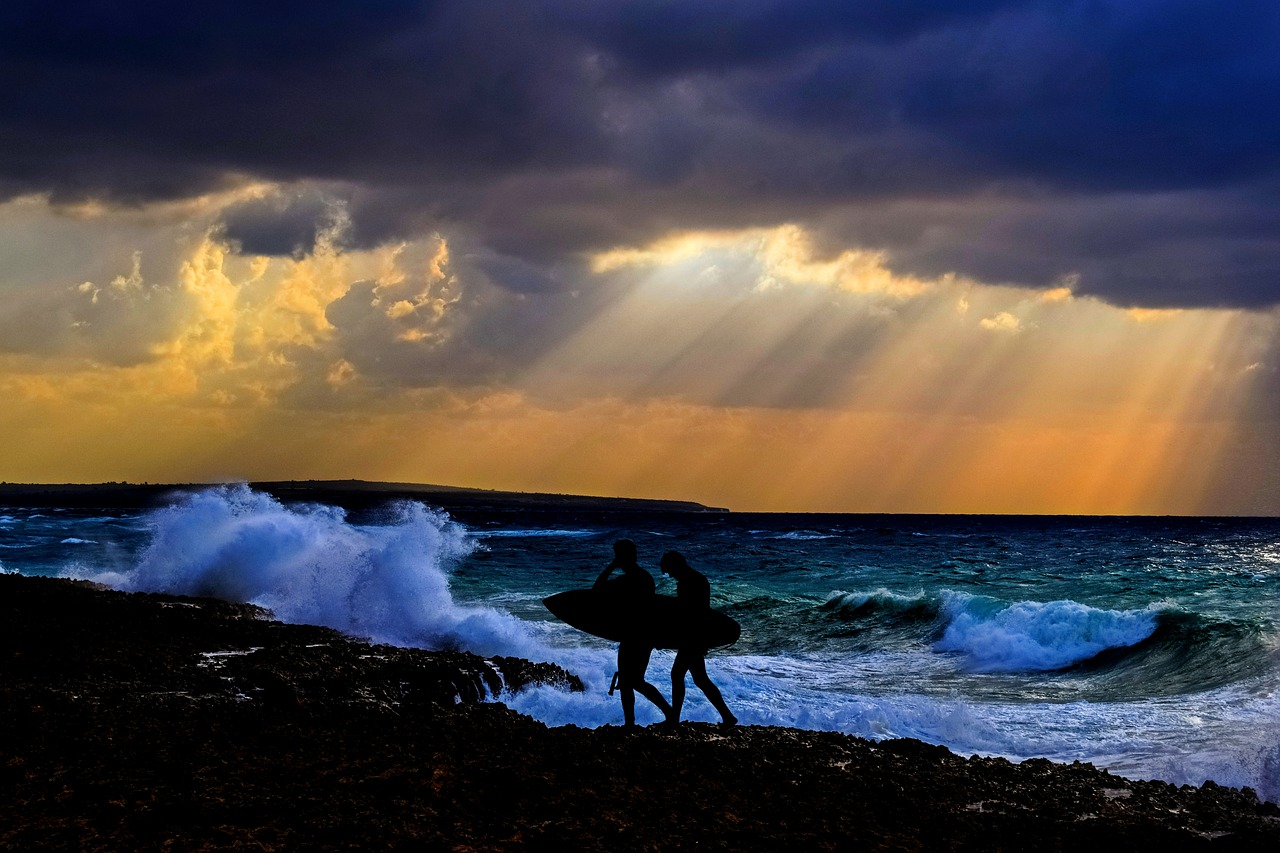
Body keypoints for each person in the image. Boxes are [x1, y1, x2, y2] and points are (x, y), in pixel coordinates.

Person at [594, 539, 675, 727]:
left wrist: (611, 566)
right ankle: (664, 714)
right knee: (634, 681)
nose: (616, 559)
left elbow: (597, 589)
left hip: (634, 636)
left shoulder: (629, 579)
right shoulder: (645, 577)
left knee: (629, 681)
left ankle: (633, 723)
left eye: (617, 556)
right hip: (644, 635)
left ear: (623, 557)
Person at [659, 550, 737, 727]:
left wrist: (668, 638)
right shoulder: (694, 579)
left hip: (693, 637)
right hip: (696, 636)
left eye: (669, 570)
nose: (669, 575)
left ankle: (674, 719)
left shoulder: (690, 582)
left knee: (677, 674)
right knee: (700, 679)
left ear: (676, 565)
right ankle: (728, 717)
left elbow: (690, 615)